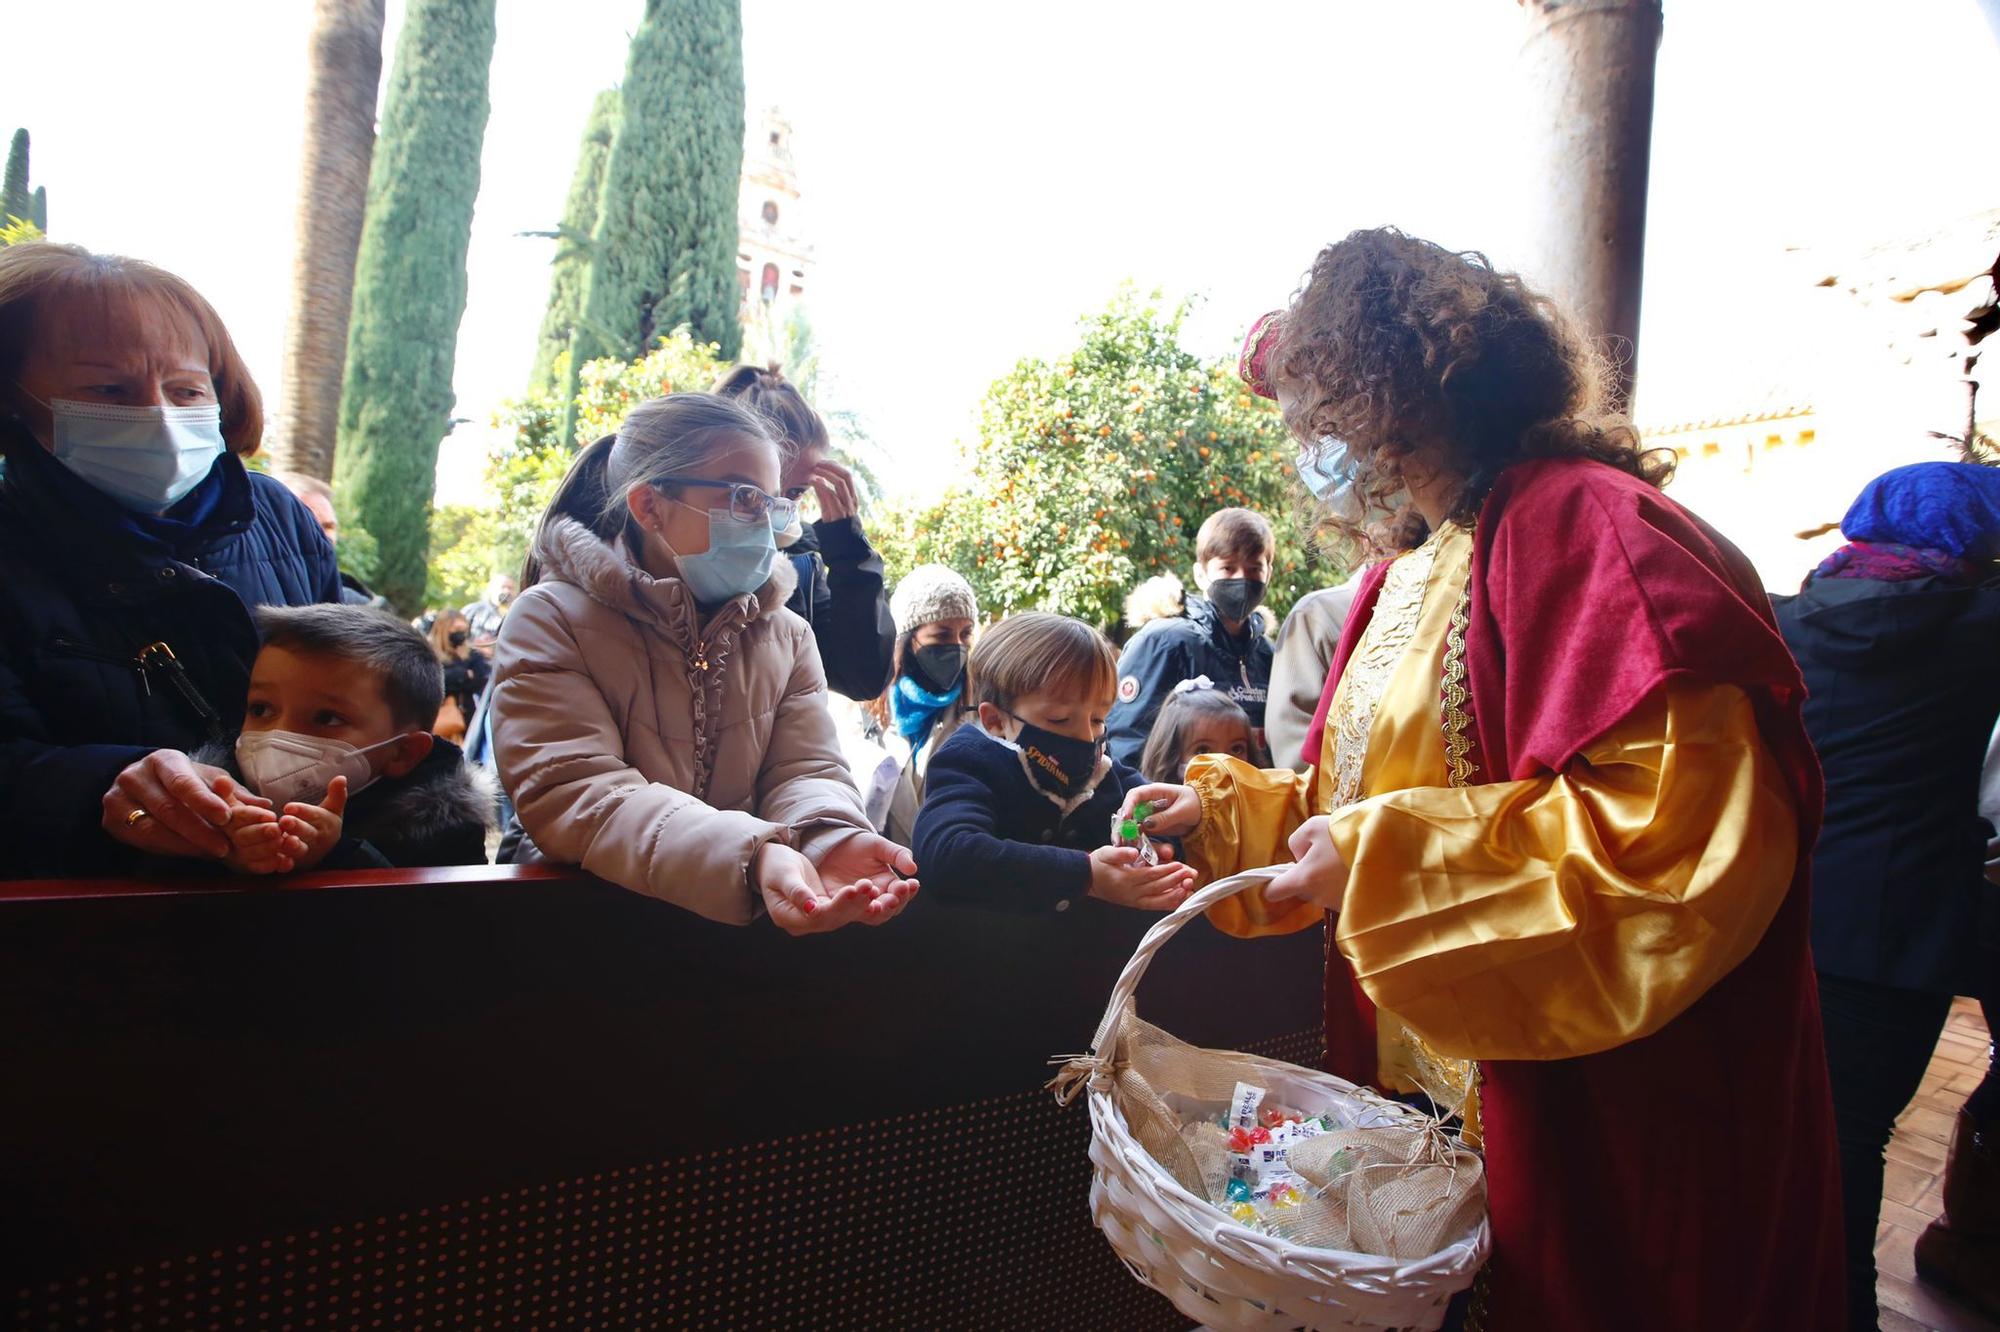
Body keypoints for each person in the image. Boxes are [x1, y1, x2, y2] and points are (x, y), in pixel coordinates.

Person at [1120, 230, 1843, 1330]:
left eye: (1314, 400)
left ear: (1393, 379)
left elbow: (1677, 836)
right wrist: (1235, 813)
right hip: (1439, 1078)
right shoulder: (1405, 568)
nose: (1307, 438)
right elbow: (1355, 795)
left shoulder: (1585, 524)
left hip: (1592, 1089)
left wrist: (1374, 858)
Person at [488, 392, 918, 934]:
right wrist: (751, 854)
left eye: (773, 502)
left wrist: (831, 836)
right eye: (744, 498)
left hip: (729, 942)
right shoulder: (551, 619)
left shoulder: (786, 635)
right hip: (583, 933)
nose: (764, 524)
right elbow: (577, 793)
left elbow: (805, 770)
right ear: (650, 507)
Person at [0, 242, 340, 879]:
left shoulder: (280, 517)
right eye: (108, 388)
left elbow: (357, 693)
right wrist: (102, 787)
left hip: (295, 908)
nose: (157, 414)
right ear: (15, 399)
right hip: (79, 935)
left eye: (186, 389)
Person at [1773, 461, 2000, 1328]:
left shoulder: (1789, 616)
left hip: (1770, 911)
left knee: (1772, 1131)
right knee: (1853, 1139)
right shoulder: (1983, 627)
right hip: (1898, 935)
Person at [911, 612, 1194, 915]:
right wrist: (1085, 875)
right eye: (1060, 720)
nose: (1087, 737)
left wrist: (1153, 840)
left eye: (1098, 719)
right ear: (995, 720)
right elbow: (947, 853)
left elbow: (1148, 811)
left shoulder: (1105, 773)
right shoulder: (970, 763)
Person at [195, 604, 495, 872]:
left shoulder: (446, 830)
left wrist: (338, 857)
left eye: (326, 718)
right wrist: (215, 848)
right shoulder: (210, 799)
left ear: (403, 752)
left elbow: (437, 922)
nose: (277, 735)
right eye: (260, 709)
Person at [713, 363, 896, 702]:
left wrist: (848, 548)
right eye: (752, 490)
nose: (774, 505)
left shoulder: (803, 560)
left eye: (794, 492)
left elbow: (863, 677)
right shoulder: (677, 553)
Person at [1103, 506, 1274, 768]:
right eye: (1228, 568)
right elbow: (1126, 742)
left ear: (1268, 573)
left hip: (1247, 804)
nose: (1242, 579)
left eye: (1254, 569)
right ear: (1200, 574)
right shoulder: (1165, 642)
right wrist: (1147, 806)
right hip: (1174, 804)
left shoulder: (1267, 654)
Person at [879, 563, 978, 844]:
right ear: (908, 640)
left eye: (966, 634)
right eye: (942, 635)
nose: (957, 646)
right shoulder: (863, 710)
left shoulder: (979, 712)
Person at [276, 470, 383, 607]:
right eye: (310, 525)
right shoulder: (252, 592)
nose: (323, 536)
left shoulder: (358, 605)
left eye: (328, 527)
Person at [1136, 677, 1255, 784]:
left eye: (1236, 749)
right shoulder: (1151, 805)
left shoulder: (1257, 804)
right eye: (1202, 751)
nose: (1224, 764)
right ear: (1171, 757)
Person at [427, 607, 489, 745]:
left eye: (463, 630)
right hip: (437, 716)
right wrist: (463, 674)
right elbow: (432, 681)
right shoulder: (427, 651)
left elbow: (480, 679)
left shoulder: (472, 654)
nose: (460, 634)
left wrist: (451, 676)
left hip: (466, 715)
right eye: (456, 629)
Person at [461, 573, 515, 654]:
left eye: (510, 588)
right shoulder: (473, 610)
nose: (507, 591)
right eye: (503, 587)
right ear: (492, 589)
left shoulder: (517, 615)